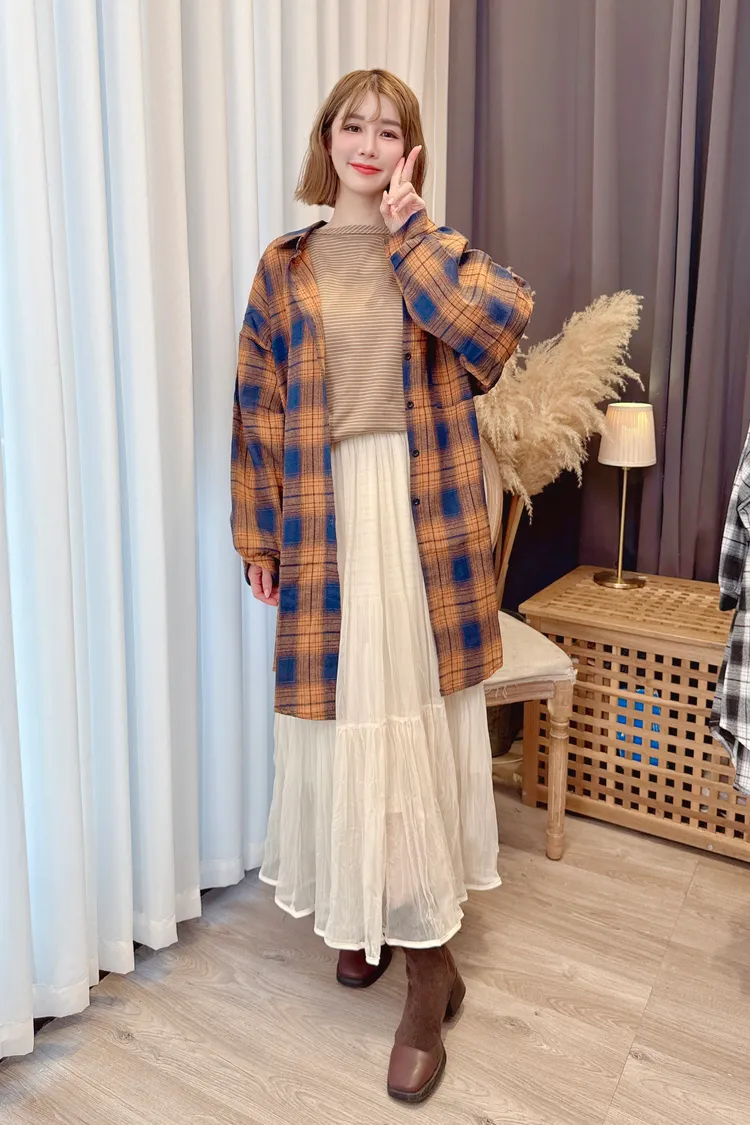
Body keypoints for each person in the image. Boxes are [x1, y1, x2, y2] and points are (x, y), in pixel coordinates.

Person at [231, 68, 533, 1104]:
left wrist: (412, 233)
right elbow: (259, 403)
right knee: (339, 718)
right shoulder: (285, 264)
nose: (367, 144)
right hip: (324, 511)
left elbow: (492, 339)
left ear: (411, 150)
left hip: (418, 510)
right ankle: (368, 909)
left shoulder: (438, 251)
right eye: (352, 126)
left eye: (388, 130)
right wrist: (258, 529)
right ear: (328, 138)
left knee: (405, 717)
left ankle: (429, 966)